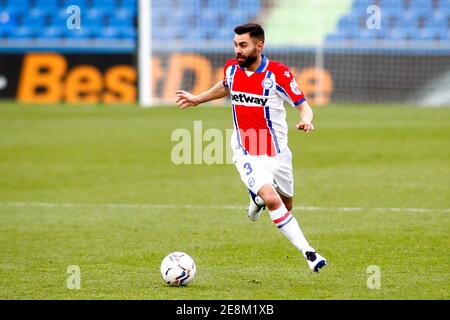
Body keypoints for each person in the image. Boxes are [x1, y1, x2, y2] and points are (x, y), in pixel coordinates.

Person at [175, 23, 326, 272]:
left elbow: (303, 105)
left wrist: (306, 120)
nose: (238, 50)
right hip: (246, 148)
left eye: (243, 45)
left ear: (259, 45)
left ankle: (255, 200)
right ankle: (309, 253)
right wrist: (197, 99)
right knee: (272, 198)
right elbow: (226, 85)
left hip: (278, 153)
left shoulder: (278, 74)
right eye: (235, 45)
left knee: (286, 206)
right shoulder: (232, 69)